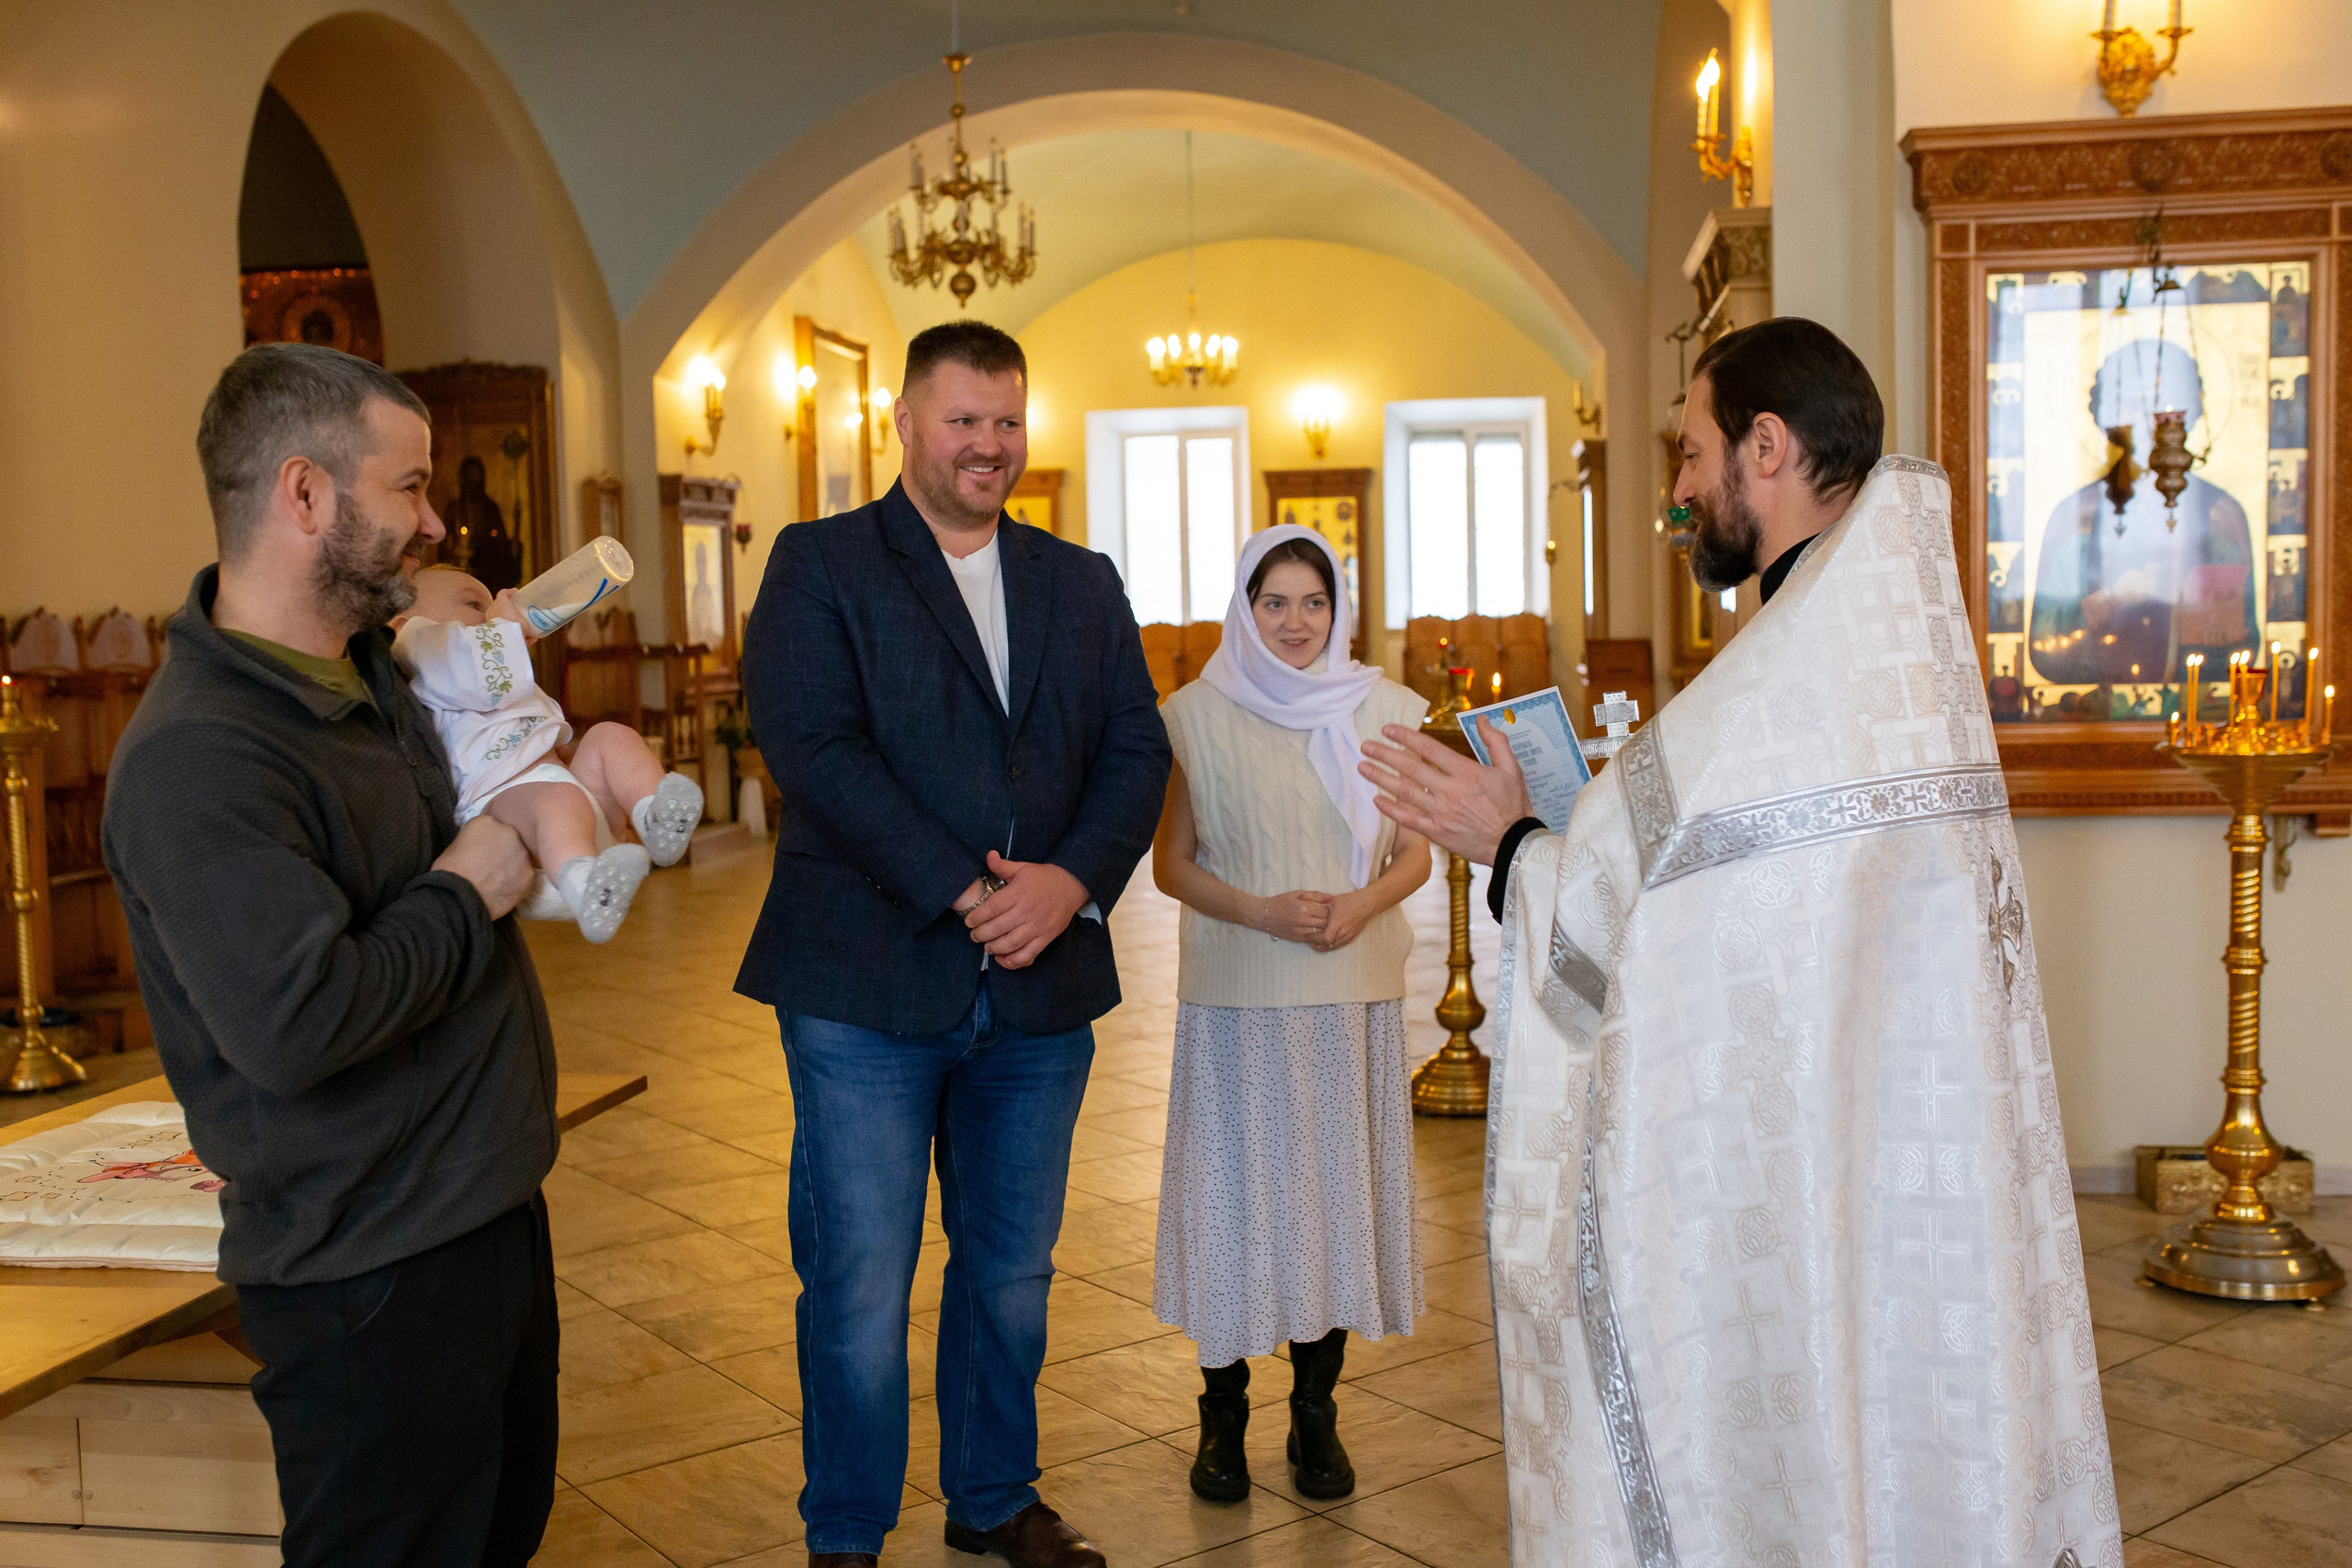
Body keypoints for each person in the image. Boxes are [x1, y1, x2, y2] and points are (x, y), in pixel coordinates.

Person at [1359, 318, 2122, 1566]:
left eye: (1692, 450)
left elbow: (1649, 952)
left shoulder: (1788, 677)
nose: (1676, 487)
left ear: (1766, 448)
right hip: (1907, 1163)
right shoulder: (1877, 648)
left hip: (1808, 1172)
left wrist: (1510, 848)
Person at [101, 343, 560, 1567]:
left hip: (481, 1215)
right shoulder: (199, 757)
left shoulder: (375, 669)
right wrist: (469, 889)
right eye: (407, 487)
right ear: (305, 495)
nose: (435, 514)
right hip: (371, 1269)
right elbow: (299, 1022)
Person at [737, 320, 1170, 1568]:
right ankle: (847, 1531)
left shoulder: (1080, 578)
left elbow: (1136, 749)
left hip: (1041, 995)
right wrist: (967, 889)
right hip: (865, 983)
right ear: (906, 425)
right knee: (861, 1279)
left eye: (1007, 420)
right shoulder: (821, 562)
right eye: (963, 419)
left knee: (1010, 1274)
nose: (989, 444)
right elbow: (813, 747)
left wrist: (1072, 879)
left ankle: (992, 1499)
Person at [1150, 525, 1432, 1503]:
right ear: (1244, 606)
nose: (1296, 621)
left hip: (1347, 994)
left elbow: (1413, 850)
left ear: (1338, 607)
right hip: (1237, 996)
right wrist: (1262, 912)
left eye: (1313, 601)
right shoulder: (1193, 715)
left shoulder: (1384, 709)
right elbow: (1171, 863)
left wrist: (1359, 904)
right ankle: (1220, 1416)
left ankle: (1316, 1414)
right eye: (1274, 601)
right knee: (1234, 1205)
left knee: (1330, 1208)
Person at [391, 564, 706, 942]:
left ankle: (655, 817)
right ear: (401, 622)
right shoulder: (414, 644)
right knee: (558, 798)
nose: (492, 611)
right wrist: (504, 629)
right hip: (516, 825)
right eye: (474, 603)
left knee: (609, 737)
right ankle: (584, 883)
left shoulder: (488, 665)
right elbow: (470, 665)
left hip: (573, 806)